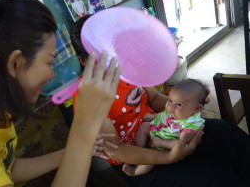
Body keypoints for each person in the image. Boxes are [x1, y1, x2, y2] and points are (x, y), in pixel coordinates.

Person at [0, 0, 121, 187]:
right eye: (49, 62)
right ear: (15, 63)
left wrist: (76, 149)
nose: (51, 74)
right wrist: (85, 127)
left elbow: (9, 167)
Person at [70, 14, 250, 187]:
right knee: (214, 178)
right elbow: (116, 150)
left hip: (165, 127)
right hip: (135, 160)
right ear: (83, 60)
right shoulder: (87, 95)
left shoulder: (127, 68)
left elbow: (154, 97)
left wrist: (185, 106)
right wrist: (170, 157)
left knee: (226, 134)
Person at [123, 79, 207, 176]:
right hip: (160, 131)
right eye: (170, 100)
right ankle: (138, 151)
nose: (170, 107)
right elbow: (164, 114)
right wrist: (153, 117)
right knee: (144, 126)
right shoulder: (173, 108)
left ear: (196, 109)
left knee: (152, 156)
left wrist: (160, 142)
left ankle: (135, 171)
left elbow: (181, 144)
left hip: (166, 146)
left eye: (179, 105)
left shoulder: (191, 123)